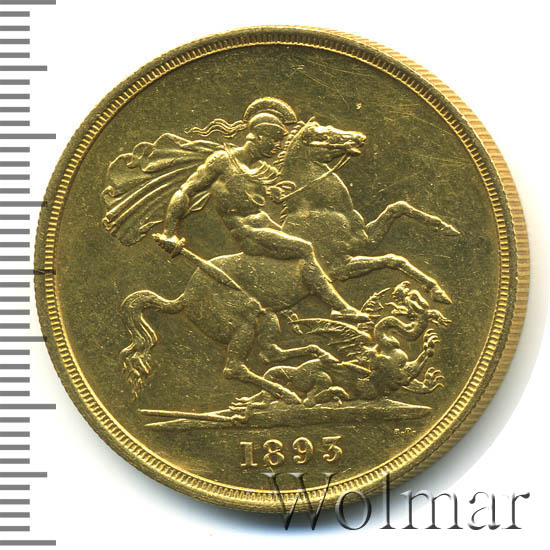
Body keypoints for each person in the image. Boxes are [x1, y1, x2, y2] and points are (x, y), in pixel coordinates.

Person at [154, 97, 367, 321]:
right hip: (248, 233)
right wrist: (169, 232)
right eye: (274, 141)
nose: (277, 147)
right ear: (259, 137)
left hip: (267, 226)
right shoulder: (223, 161)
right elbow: (185, 191)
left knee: (313, 247)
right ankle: (339, 307)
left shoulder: (261, 169)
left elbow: (264, 197)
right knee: (304, 248)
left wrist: (276, 194)